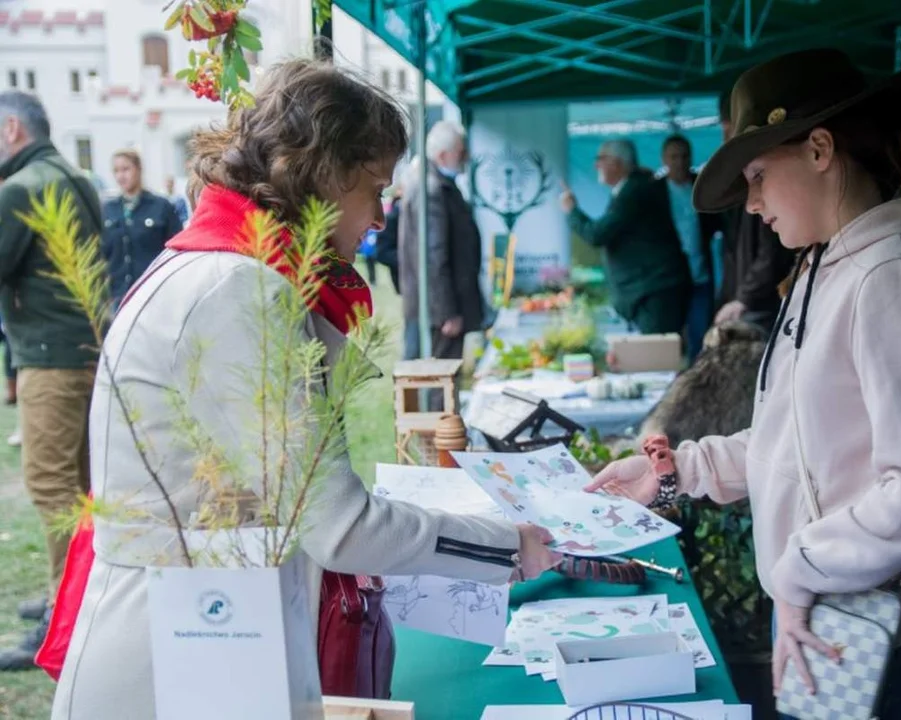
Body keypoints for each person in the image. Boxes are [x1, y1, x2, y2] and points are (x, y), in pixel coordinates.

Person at [50, 59, 561, 718]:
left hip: (207, 630)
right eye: (375, 187)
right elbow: (339, 525)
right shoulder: (241, 290)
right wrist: (506, 546)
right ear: (324, 175)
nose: (379, 216)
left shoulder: (224, 269)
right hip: (184, 654)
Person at [587, 48, 901, 719]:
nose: (754, 203)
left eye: (760, 176)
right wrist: (678, 469)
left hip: (869, 625)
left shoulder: (893, 276)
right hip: (826, 607)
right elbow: (799, 441)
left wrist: (798, 568)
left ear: (820, 148)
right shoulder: (826, 263)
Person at [0, 90, 102, 672]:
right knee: (85, 486)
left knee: (51, 487)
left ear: (12, 128)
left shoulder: (19, 188)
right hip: (85, 347)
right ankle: (77, 594)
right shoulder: (72, 174)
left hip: (50, 358)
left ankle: (62, 619)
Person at [560, 139, 691, 335]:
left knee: (657, 357)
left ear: (616, 162)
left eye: (600, 159)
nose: (596, 165)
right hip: (652, 291)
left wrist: (572, 211)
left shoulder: (634, 190)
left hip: (655, 293)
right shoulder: (633, 186)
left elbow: (597, 234)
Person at [399, 121, 484, 361]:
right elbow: (432, 256)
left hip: (441, 303)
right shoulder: (432, 190)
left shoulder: (438, 186)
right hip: (439, 308)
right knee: (441, 376)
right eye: (460, 151)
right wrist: (447, 312)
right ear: (443, 155)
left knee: (443, 374)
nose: (465, 157)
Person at [714, 96, 794, 333]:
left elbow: (770, 252)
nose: (752, 204)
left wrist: (744, 297)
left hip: (761, 303)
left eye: (759, 175)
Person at [656, 134, 720, 359]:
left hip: (701, 275)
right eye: (673, 156)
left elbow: (717, 224)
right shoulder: (654, 192)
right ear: (664, 159)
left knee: (700, 337)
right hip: (669, 281)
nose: (679, 162)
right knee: (668, 343)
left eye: (684, 156)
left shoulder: (701, 185)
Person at [102, 150, 183, 307]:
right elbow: (101, 254)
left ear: (138, 169)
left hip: (153, 295)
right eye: (116, 171)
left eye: (126, 169)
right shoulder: (107, 210)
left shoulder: (161, 207)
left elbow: (176, 252)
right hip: (118, 297)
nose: (121, 176)